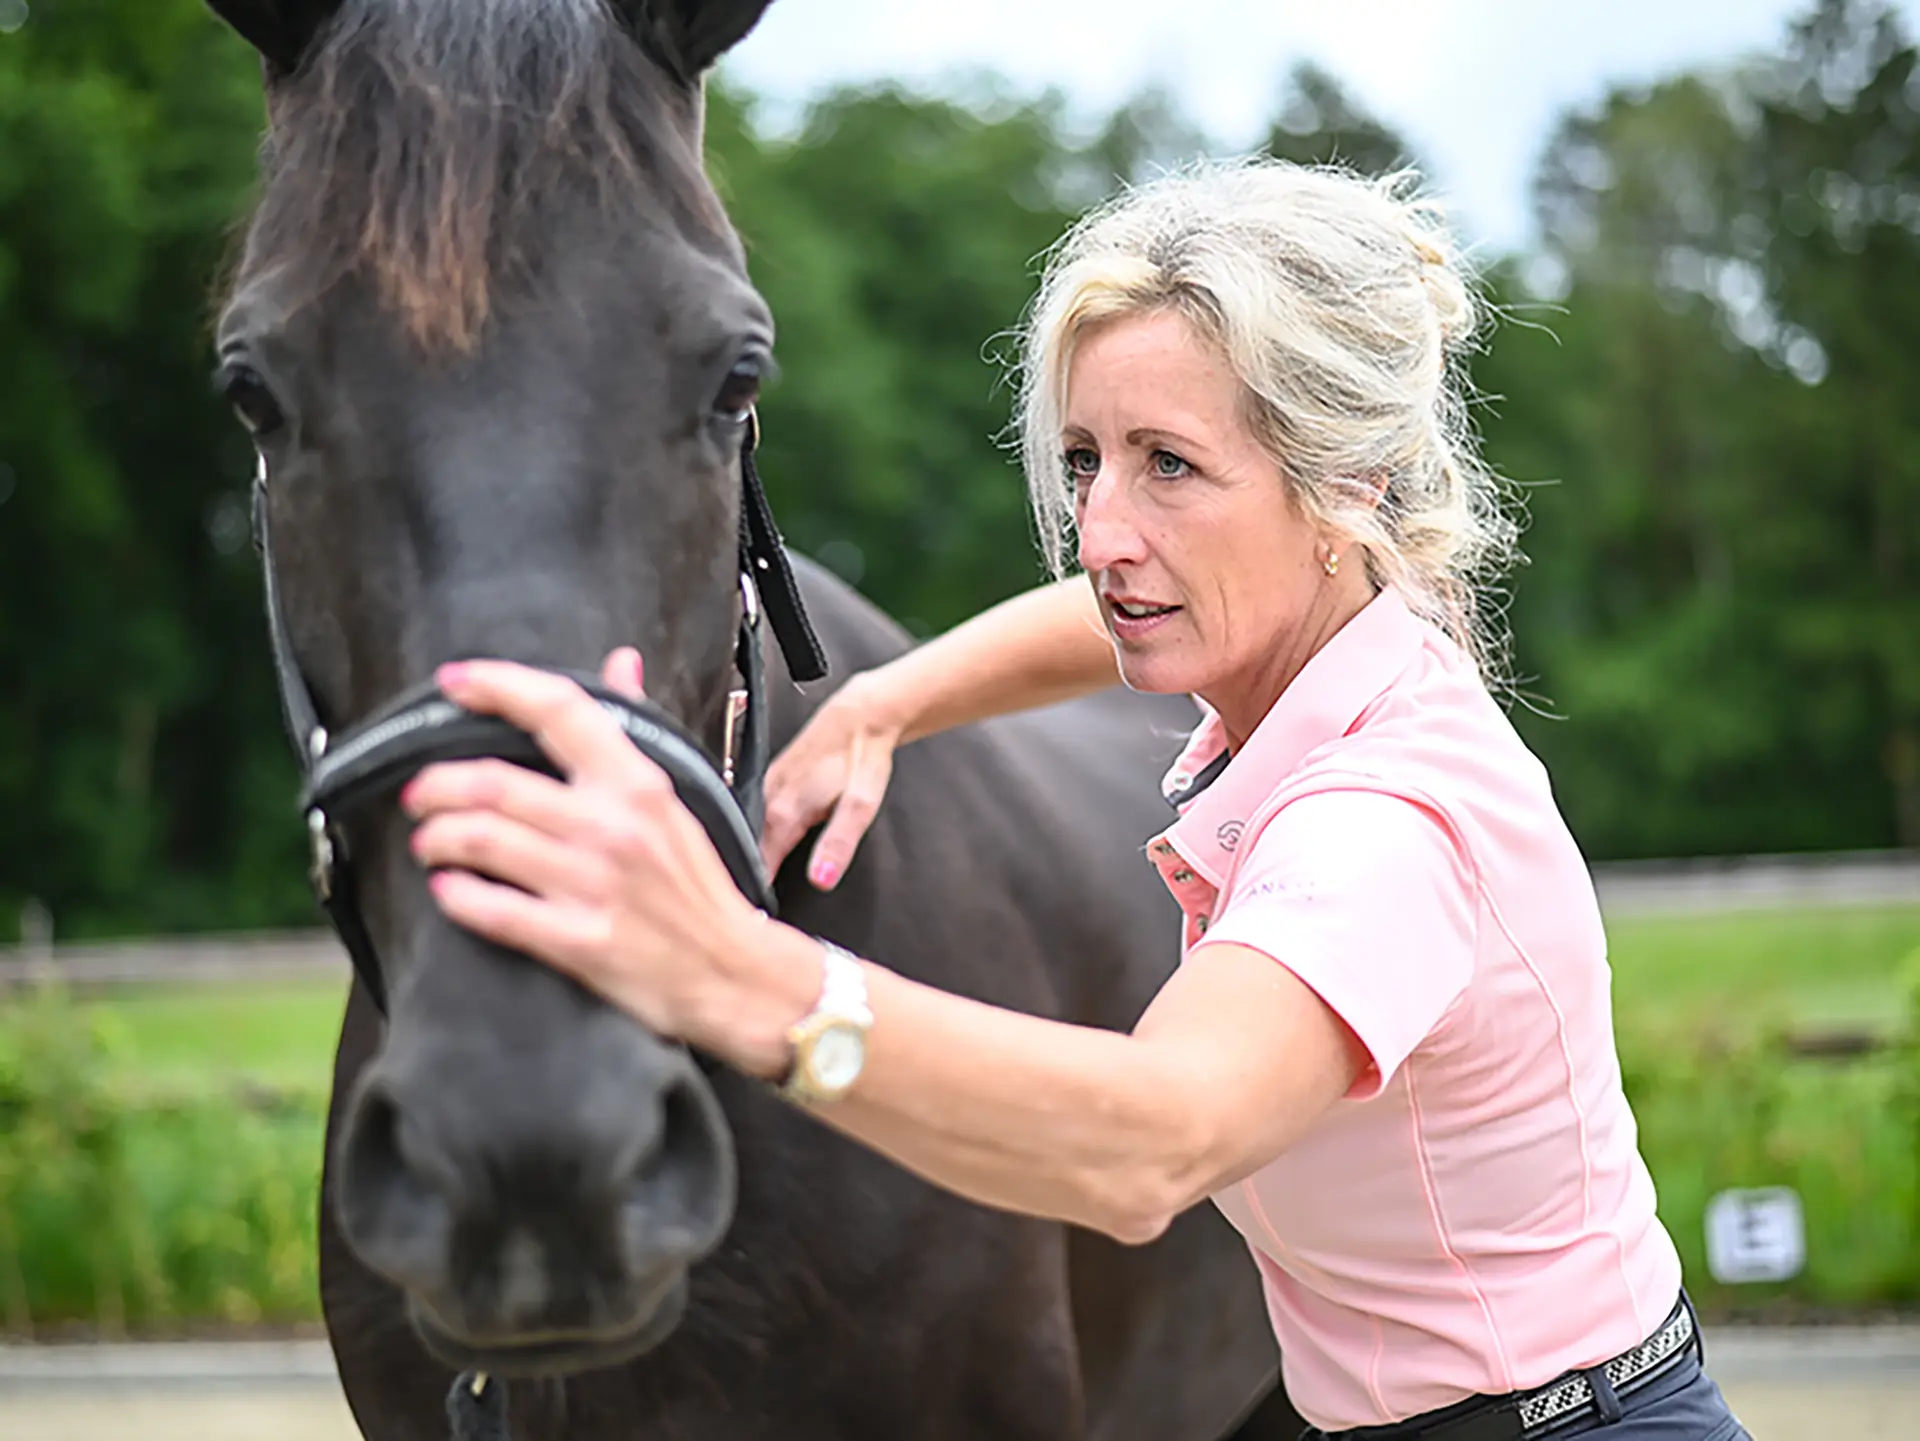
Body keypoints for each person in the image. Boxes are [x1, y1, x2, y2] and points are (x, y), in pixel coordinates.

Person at [401, 157, 1753, 1441]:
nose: (1105, 532)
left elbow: (1152, 1144)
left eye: (1169, 464)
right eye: (1088, 461)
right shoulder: (1352, 632)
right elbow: (1107, 616)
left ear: (1346, 492)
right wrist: (885, 701)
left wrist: (735, 977)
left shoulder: (1386, 826)